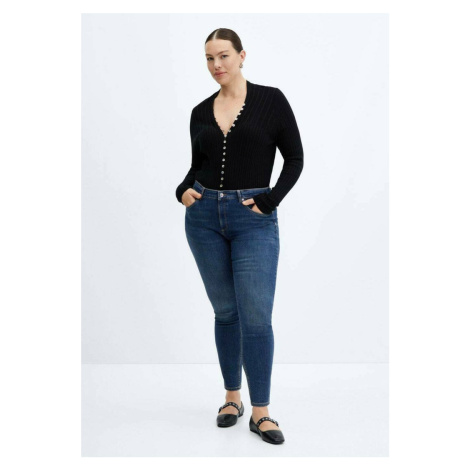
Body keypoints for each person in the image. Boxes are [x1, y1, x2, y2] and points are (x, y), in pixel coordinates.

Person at [175, 28, 304, 445]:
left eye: (224, 56)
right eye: (209, 58)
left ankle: (261, 412)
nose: (217, 65)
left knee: (256, 317)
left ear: (242, 56)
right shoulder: (199, 111)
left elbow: (295, 158)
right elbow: (196, 166)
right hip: (203, 220)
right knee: (226, 312)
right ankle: (232, 398)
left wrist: (270, 200)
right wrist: (182, 190)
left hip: (253, 220)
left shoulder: (271, 100)